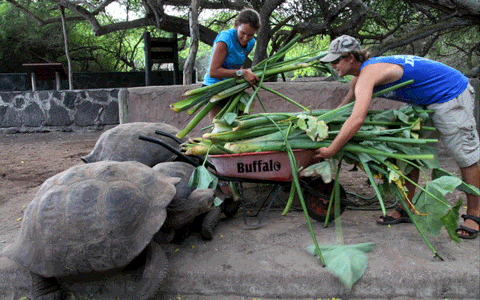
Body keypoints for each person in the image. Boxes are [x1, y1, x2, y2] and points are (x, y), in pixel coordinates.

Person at [315, 35, 480, 239]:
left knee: (464, 155)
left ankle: (475, 213)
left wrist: (332, 149)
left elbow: (357, 119)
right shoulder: (358, 79)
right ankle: (407, 207)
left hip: (449, 93)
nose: (332, 66)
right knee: (409, 152)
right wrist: (320, 124)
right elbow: (344, 111)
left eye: (335, 61)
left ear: (350, 57)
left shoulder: (369, 74)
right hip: (424, 102)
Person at [203, 8, 261, 120]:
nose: (245, 38)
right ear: (236, 25)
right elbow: (213, 71)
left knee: (241, 125)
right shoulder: (225, 40)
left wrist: (246, 76)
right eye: (242, 33)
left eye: (250, 35)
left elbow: (238, 65)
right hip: (215, 88)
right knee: (220, 129)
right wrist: (242, 73)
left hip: (233, 87)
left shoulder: (251, 42)